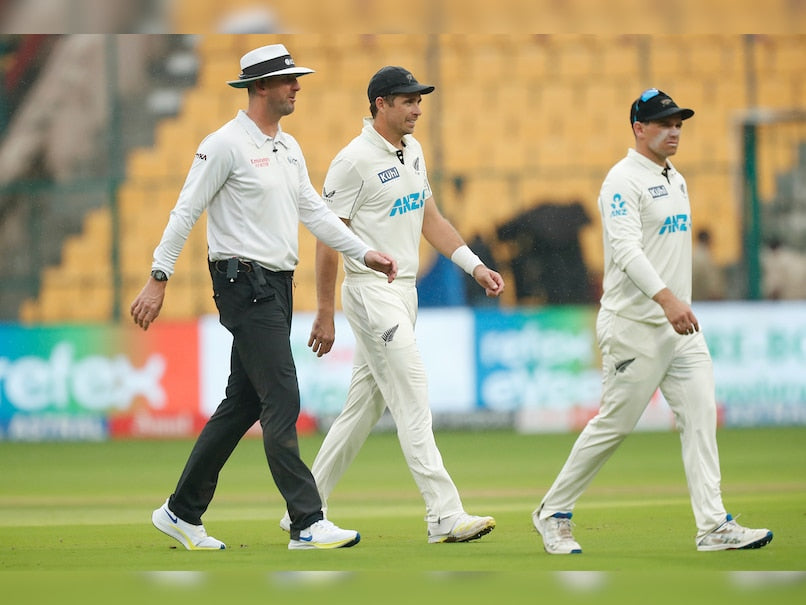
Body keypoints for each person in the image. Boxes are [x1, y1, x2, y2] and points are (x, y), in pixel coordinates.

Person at [129, 44, 398, 551]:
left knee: (244, 401)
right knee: (282, 396)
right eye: (287, 80)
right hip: (241, 282)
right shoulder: (224, 144)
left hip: (275, 284)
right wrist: (158, 276)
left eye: (296, 78)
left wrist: (366, 252)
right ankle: (306, 521)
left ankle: (181, 512)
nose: (297, 86)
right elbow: (186, 211)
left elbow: (315, 213)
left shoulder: (288, 146)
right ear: (259, 88)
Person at [532, 89, 773, 554]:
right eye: (664, 123)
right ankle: (553, 512)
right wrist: (666, 299)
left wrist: (674, 304)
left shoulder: (674, 177)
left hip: (679, 328)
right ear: (639, 129)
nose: (675, 131)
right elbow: (625, 250)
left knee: (701, 416)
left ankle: (713, 526)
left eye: (679, 123)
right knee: (615, 425)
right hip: (635, 326)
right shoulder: (622, 181)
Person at [280, 66, 505, 543]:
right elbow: (326, 239)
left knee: (362, 408)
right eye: (408, 101)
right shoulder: (352, 161)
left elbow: (431, 218)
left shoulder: (414, 150)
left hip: (405, 294)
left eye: (419, 100)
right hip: (369, 291)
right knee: (412, 394)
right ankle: (443, 515)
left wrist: (474, 265)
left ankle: (304, 508)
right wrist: (323, 311)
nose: (417, 109)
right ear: (380, 104)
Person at [691, 228, 725, 300]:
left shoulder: (694, 255)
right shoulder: (706, 257)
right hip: (705, 298)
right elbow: (712, 280)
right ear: (708, 240)